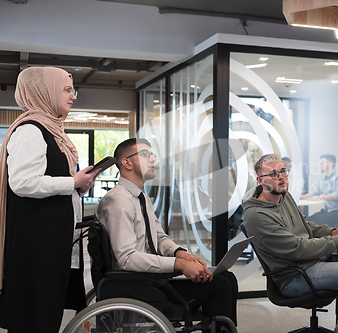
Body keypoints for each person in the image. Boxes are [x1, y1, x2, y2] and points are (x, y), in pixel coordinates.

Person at [95, 138, 238, 330]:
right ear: (126, 162)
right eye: (145, 154)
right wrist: (178, 265)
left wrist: (180, 253)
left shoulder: (141, 197)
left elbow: (160, 238)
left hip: (150, 279)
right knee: (220, 285)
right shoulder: (118, 201)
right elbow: (127, 259)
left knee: (227, 278)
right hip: (134, 284)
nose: (153, 159)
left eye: (152, 155)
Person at [242, 154, 338, 333]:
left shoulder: (284, 196)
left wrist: (331, 232)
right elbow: (297, 249)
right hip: (294, 275)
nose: (281, 177)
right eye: (274, 174)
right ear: (260, 180)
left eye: (283, 171)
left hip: (314, 261)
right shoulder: (257, 215)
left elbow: (305, 226)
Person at [0, 67, 101, 332]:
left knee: (47, 314)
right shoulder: (31, 130)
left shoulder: (51, 129)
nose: (73, 96)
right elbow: (22, 182)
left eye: (72, 90)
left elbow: (47, 180)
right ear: (43, 93)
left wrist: (79, 186)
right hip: (35, 247)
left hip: (48, 243)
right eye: (67, 90)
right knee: (35, 317)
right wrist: (73, 182)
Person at [301, 154, 338, 228]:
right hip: (328, 211)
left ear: (330, 163)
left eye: (321, 163)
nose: (319, 166)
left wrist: (319, 198)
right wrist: (301, 197)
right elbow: (315, 192)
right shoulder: (325, 180)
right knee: (307, 220)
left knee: (313, 221)